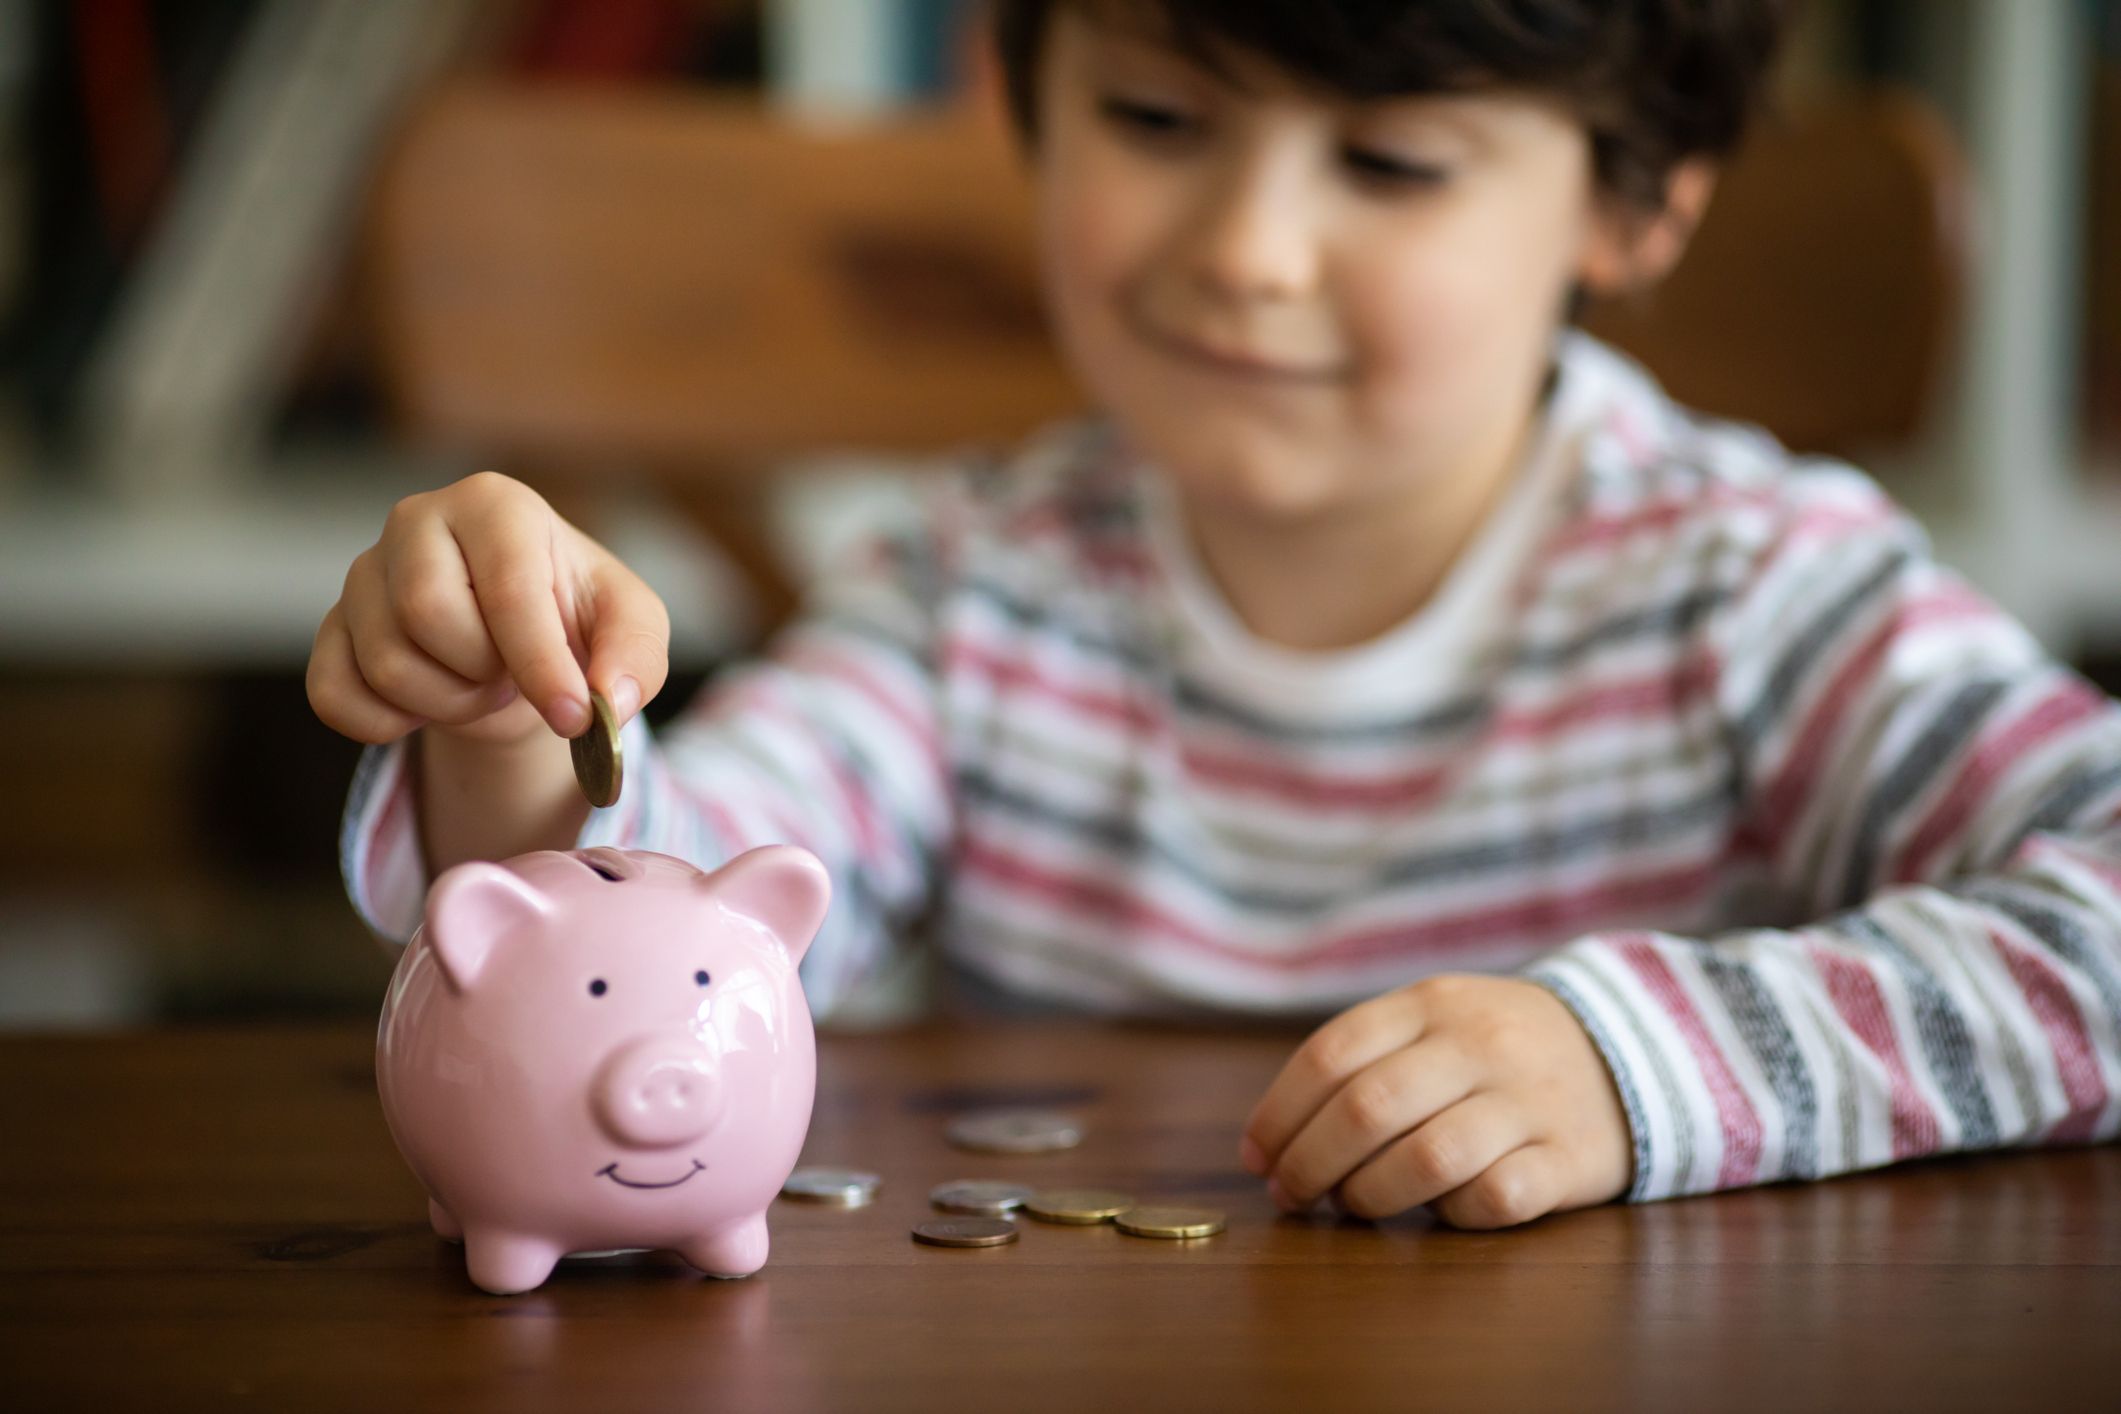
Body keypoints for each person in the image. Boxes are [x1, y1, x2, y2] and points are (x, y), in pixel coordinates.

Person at [308, 0, 2121, 1230]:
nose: (1248, 247)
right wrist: (511, 718)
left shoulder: (1753, 587)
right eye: (1158, 118)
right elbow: (691, 928)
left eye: (1393, 165)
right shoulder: (974, 596)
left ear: (1633, 203)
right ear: (1023, 100)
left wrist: (1645, 1065)